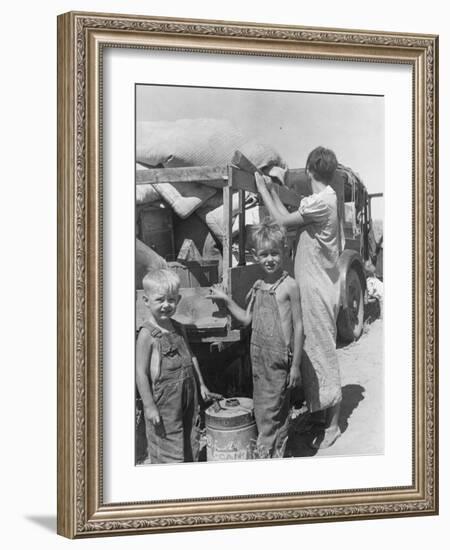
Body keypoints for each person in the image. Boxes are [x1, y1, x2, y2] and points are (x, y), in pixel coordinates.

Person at [254, 146, 343, 449]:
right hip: (315, 286)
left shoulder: (321, 201)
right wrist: (273, 192)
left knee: (323, 353)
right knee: (312, 352)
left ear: (308, 171)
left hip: (318, 288)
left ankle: (332, 426)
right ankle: (320, 416)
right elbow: (288, 214)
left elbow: (280, 221)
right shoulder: (323, 199)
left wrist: (262, 189)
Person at [208, 220, 304, 458]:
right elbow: (246, 319)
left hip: (279, 358)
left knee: (270, 411)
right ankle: (277, 453)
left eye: (274, 253)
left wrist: (295, 366)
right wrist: (225, 299)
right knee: (268, 409)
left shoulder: (290, 286)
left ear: (284, 252)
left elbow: (300, 327)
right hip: (258, 358)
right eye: (264, 254)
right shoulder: (258, 286)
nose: (270, 259)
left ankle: (265, 455)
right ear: (255, 256)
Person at [136, 268, 220, 463]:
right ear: (146, 301)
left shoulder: (179, 328)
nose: (167, 305)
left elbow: (191, 358)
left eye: (171, 299)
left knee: (190, 439)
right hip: (164, 404)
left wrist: (201, 384)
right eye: (160, 300)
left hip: (188, 398)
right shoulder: (147, 334)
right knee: (168, 448)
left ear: (179, 299)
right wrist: (149, 406)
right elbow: (140, 372)